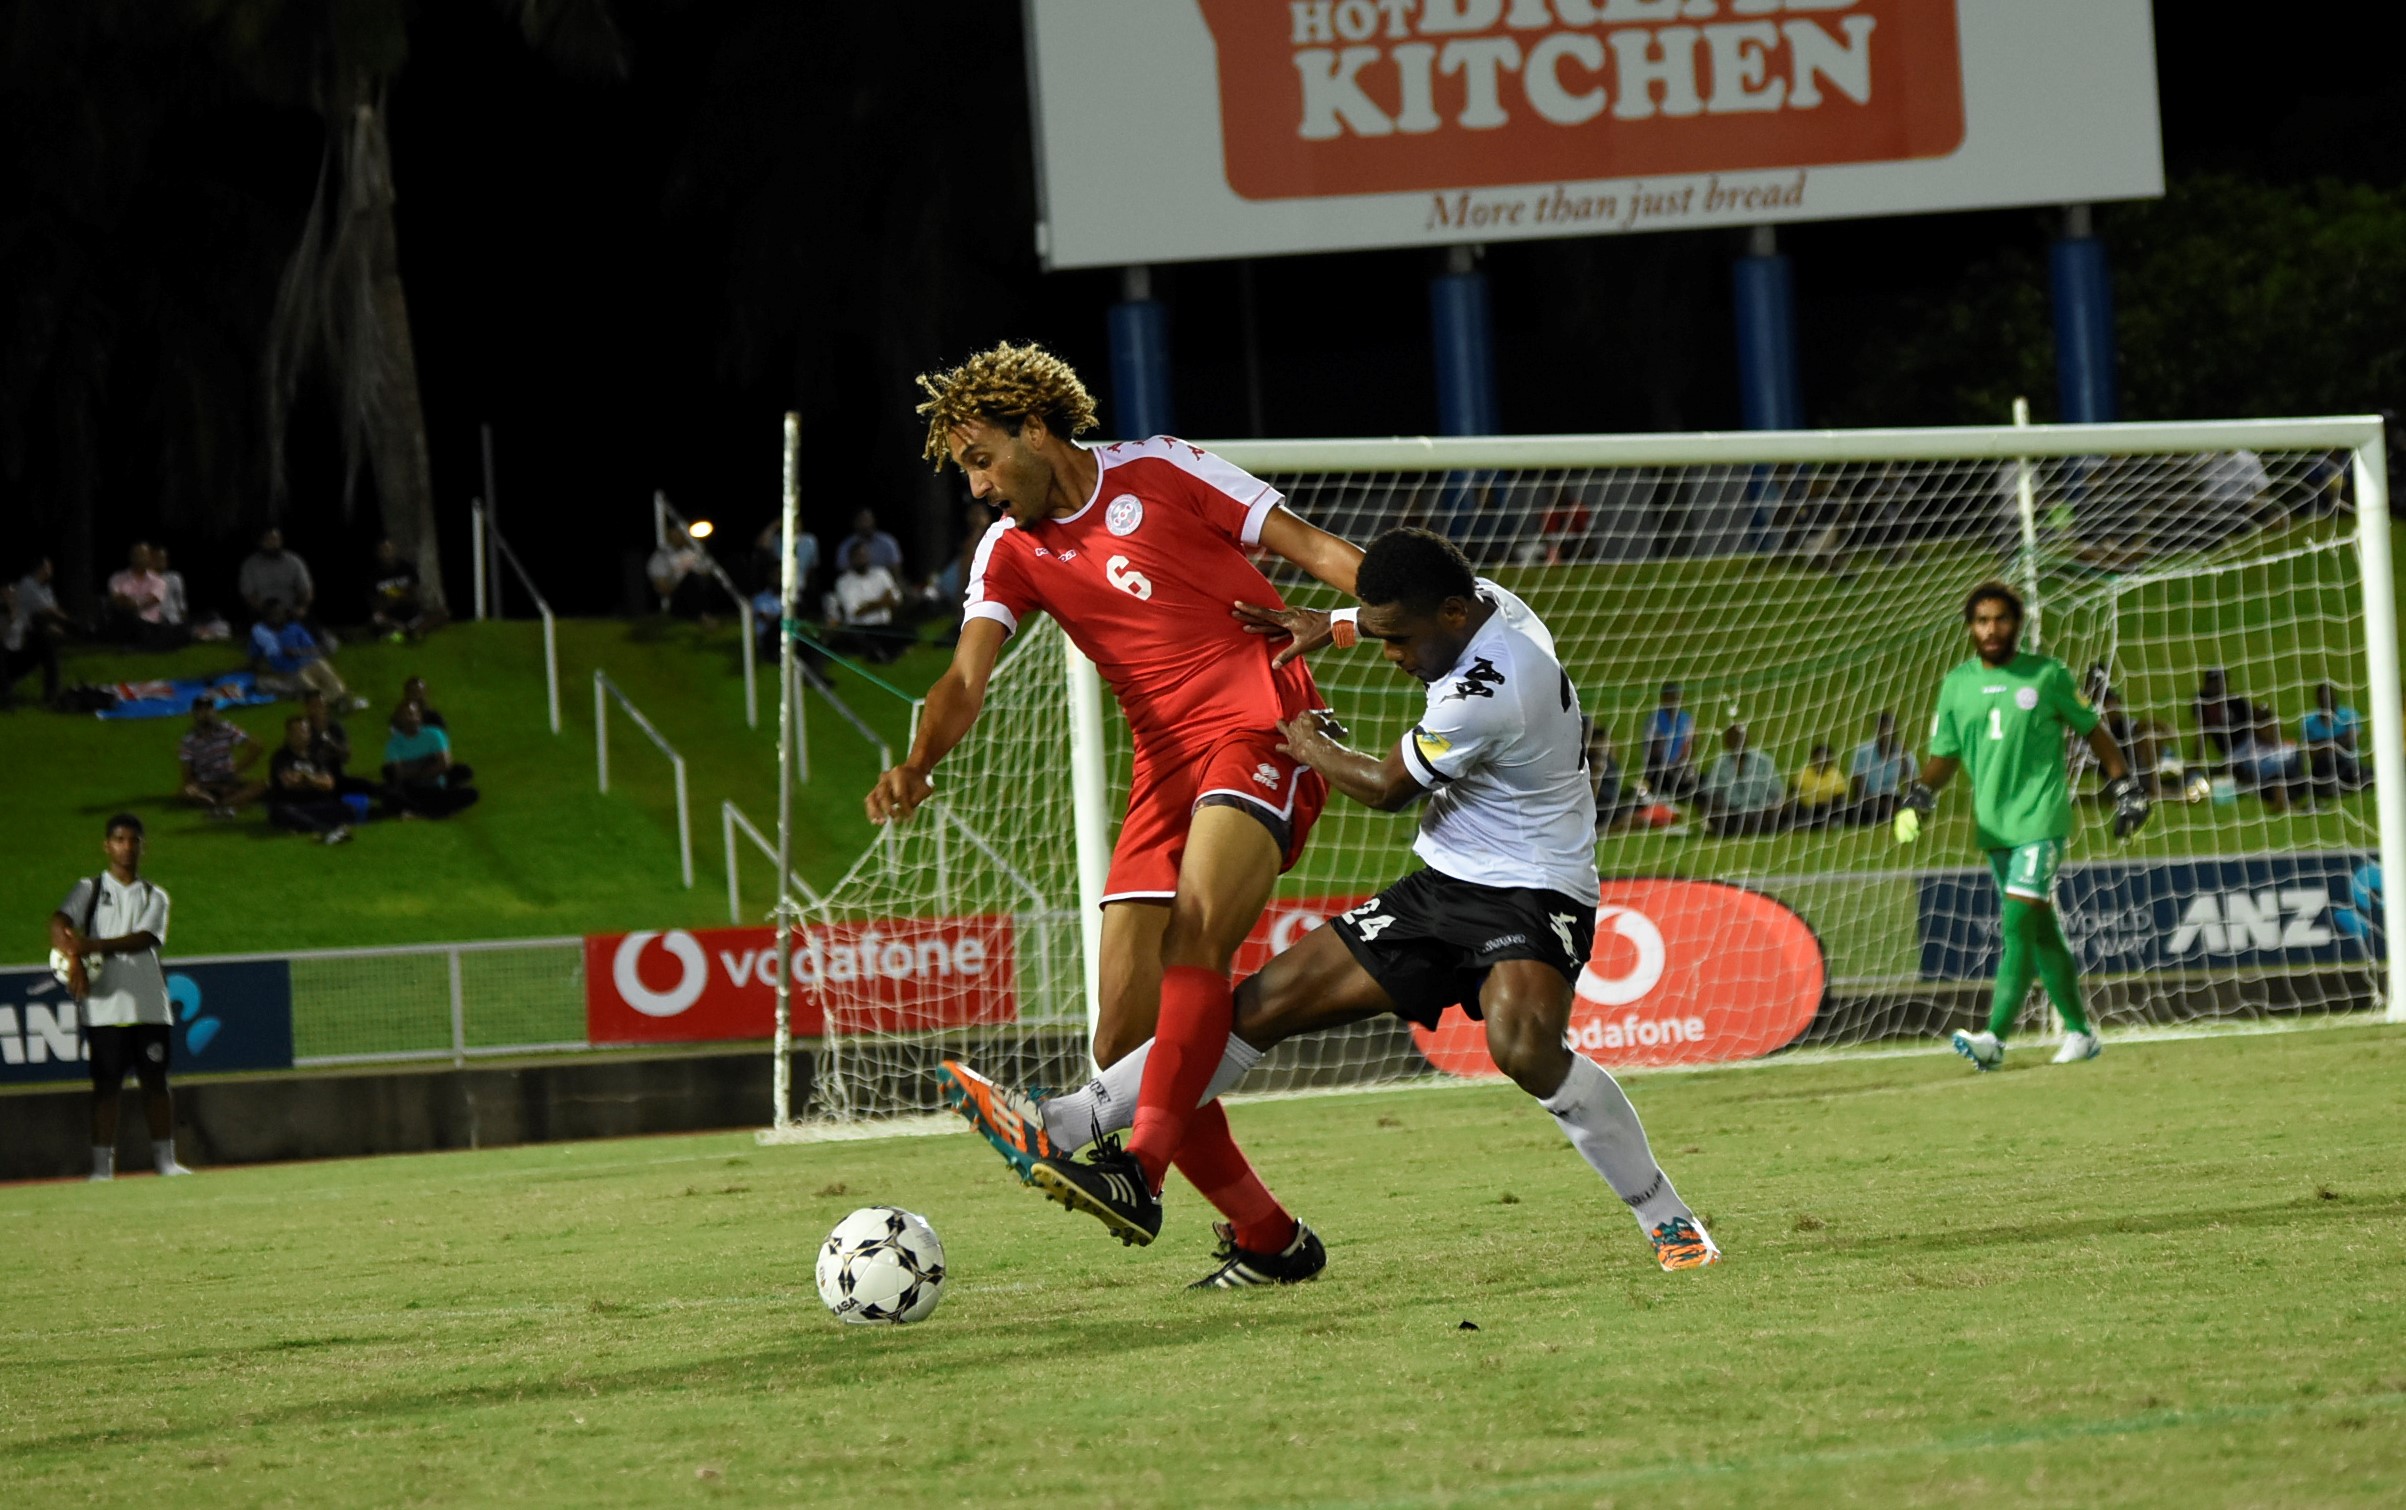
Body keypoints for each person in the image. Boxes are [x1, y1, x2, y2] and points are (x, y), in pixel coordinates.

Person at [946, 531, 1718, 1276]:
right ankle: (1063, 1123)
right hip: (1442, 886)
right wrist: (1335, 624)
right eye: (1383, 635)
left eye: (1399, 640)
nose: (1391, 654)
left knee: (1523, 1049)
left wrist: (1309, 744)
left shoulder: (1491, 690)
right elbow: (1405, 620)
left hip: (1534, 890)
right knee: (1255, 1008)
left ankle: (1667, 1217)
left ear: (1453, 616)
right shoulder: (1487, 603)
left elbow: (1384, 787)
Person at [873, 340, 1363, 1284]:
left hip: (1264, 724)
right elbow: (964, 680)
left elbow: (1313, 548)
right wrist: (918, 761)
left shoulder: (1162, 469)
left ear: (1036, 429)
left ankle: (1134, 1169)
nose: (976, 486)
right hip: (1163, 767)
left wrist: (1408, 610)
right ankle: (1270, 1239)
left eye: (981, 459)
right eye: (965, 469)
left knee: (1195, 940)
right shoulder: (1009, 549)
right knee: (1124, 1042)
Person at [1897, 581, 2148, 1071]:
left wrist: (2124, 786)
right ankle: (2080, 1033)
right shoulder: (1956, 685)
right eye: (1982, 621)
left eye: (2001, 619)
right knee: (2040, 931)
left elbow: (2094, 731)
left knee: (2015, 925)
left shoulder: (2047, 675)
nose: (1991, 629)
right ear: (1970, 627)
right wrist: (1919, 797)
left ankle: (1994, 1038)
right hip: (1994, 827)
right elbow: (1945, 755)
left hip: (2040, 819)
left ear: (2017, 623)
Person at [50, 814, 189, 1180]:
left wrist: (90, 945)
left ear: (143, 847)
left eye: (133, 841)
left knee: (155, 1083)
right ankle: (102, 1168)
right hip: (104, 1007)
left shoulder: (154, 895)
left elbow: (146, 938)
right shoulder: (90, 889)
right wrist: (72, 957)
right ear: (107, 846)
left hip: (148, 1005)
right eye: (119, 840)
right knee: (106, 1086)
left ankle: (166, 1162)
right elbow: (59, 922)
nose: (127, 847)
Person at [266, 716, 355, 843]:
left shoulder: (316, 757)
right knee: (281, 812)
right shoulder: (281, 757)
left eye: (303, 731)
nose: (300, 736)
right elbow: (289, 783)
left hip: (315, 805)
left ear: (309, 734)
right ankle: (324, 829)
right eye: (296, 732)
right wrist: (315, 781)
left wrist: (306, 778)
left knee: (348, 809)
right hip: (291, 805)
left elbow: (329, 783)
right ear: (289, 735)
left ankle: (302, 827)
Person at [384, 701, 479, 817]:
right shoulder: (394, 744)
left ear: (419, 716)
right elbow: (400, 773)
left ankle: (427, 808)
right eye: (404, 716)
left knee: (470, 789)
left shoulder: (434, 734)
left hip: (435, 784)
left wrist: (415, 769)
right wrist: (428, 764)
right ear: (399, 720)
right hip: (414, 789)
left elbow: (444, 764)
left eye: (411, 714)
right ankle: (433, 809)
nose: (409, 719)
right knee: (391, 795)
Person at [248, 599, 352, 703]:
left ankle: (339, 698)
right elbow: (255, 659)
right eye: (272, 614)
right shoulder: (260, 634)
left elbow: (313, 649)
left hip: (311, 662)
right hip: (291, 671)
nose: (276, 616)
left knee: (335, 683)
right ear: (265, 616)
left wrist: (297, 652)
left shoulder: (295, 628)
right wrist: (267, 668)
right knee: (311, 689)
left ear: (284, 613)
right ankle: (329, 702)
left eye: (279, 613)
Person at [177, 697, 264, 818]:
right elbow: (187, 772)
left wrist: (237, 770)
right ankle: (230, 803)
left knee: (262, 785)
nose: (206, 714)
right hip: (206, 782)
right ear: (195, 714)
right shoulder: (189, 741)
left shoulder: (226, 729)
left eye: (209, 709)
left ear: (214, 711)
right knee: (187, 792)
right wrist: (193, 786)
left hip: (228, 778)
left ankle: (218, 805)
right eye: (202, 710)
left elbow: (256, 747)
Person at [1698, 723, 1785, 837]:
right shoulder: (1719, 764)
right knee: (1708, 806)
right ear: (1727, 742)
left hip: (1761, 811)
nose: (1738, 742)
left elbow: (1778, 792)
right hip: (1732, 812)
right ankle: (1750, 828)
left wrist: (1775, 807)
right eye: (1734, 739)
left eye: (1741, 738)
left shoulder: (1764, 761)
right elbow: (1709, 792)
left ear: (1747, 739)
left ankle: (1744, 828)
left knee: (1782, 809)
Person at [830, 539, 908, 662]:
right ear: (851, 560)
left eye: (864, 555)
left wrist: (870, 605)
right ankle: (880, 653)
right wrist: (882, 602)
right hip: (860, 628)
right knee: (853, 639)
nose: (862, 559)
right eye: (858, 557)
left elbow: (896, 600)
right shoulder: (844, 582)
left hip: (883, 625)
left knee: (907, 632)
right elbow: (855, 612)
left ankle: (887, 652)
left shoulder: (881, 574)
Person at [106, 542, 182, 648]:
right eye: (137, 555)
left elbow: (153, 600)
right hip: (124, 621)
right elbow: (116, 599)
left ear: (150, 558)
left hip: (149, 624)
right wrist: (132, 603)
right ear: (131, 557)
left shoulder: (158, 581)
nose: (140, 558)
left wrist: (133, 603)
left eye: (143, 555)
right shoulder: (118, 578)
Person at [1, 577, 61, 710]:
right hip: (4, 659)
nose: (10, 594)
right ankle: (5, 697)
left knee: (45, 643)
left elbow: (29, 631)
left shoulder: (23, 610)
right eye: (7, 591)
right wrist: (9, 616)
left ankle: (51, 695)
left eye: (12, 591)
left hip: (15, 658)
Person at [237, 526, 316, 625]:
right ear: (261, 542)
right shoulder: (250, 565)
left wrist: (302, 607)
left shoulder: (294, 561)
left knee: (310, 624)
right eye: (268, 539)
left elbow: (306, 588)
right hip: (263, 610)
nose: (273, 543)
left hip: (291, 610)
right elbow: (248, 594)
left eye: (275, 539)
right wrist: (269, 611)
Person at [1848, 710, 1915, 823]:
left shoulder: (1905, 754)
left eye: (1892, 729)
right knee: (1853, 813)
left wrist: (1904, 759)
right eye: (1884, 729)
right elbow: (1858, 786)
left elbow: (1912, 786)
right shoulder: (1862, 752)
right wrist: (1876, 803)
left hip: (1893, 798)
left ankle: (1892, 813)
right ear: (1877, 731)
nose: (1888, 734)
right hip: (1868, 799)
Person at [2302, 682, 2365, 799]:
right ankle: (2335, 788)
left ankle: (2340, 787)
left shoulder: (2349, 715)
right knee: (2319, 772)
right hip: (2324, 764)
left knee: (2355, 770)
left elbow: (2353, 739)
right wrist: (2339, 742)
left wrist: (2324, 744)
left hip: (2346, 760)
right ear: (2318, 701)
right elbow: (2312, 752)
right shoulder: (2308, 722)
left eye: (2330, 699)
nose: (2328, 703)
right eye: (2324, 700)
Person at [368, 538, 437, 641]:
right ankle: (404, 631)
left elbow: (414, 593)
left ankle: (408, 631)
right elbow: (375, 601)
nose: (387, 554)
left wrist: (398, 597)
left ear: (394, 550)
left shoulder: (406, 567)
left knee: (439, 614)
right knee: (376, 621)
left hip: (411, 611)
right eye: (383, 551)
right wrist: (392, 600)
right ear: (378, 554)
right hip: (389, 615)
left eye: (389, 550)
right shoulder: (373, 575)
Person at [646, 526, 718, 620]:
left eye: (681, 533)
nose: (678, 537)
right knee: (690, 579)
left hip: (703, 594)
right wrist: (682, 583)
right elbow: (662, 587)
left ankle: (706, 613)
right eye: (675, 534)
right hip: (678, 599)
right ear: (669, 535)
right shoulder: (661, 556)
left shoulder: (696, 552)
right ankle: (703, 616)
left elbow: (708, 575)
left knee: (695, 579)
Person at [1640, 681, 1697, 799]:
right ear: (1663, 699)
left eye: (1677, 698)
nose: (1674, 701)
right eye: (1671, 698)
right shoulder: (1654, 720)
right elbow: (1651, 750)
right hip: (1659, 766)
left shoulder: (1686, 720)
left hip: (1678, 765)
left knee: (1693, 781)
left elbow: (1689, 745)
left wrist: (1684, 763)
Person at [2192, 668, 2251, 770]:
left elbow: (2256, 727)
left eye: (2221, 682)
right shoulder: (2202, 704)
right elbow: (2203, 732)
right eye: (2213, 683)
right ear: (2206, 685)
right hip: (2230, 753)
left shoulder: (2237, 703)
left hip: (2248, 745)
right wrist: (2195, 762)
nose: (2218, 686)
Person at [1791, 742, 1850, 829]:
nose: (1821, 761)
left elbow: (1840, 796)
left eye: (1824, 758)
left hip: (1826, 808)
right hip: (1806, 808)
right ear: (1813, 759)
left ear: (1830, 760)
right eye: (1818, 758)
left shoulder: (1835, 775)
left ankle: (1831, 821)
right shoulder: (1804, 774)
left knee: (1835, 806)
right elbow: (1793, 793)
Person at [1587, 723, 1633, 832]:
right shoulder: (1590, 763)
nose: (1603, 746)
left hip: (1613, 801)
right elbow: (1590, 798)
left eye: (1605, 741)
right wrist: (1596, 775)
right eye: (1599, 742)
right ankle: (1603, 829)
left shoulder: (1608, 759)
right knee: (1630, 819)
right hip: (1600, 805)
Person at [839, 507, 905, 575]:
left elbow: (896, 566)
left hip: (883, 577)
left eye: (867, 520)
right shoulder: (846, 545)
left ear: (873, 521)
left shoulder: (887, 541)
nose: (865, 524)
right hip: (857, 579)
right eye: (861, 520)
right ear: (855, 523)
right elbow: (843, 570)